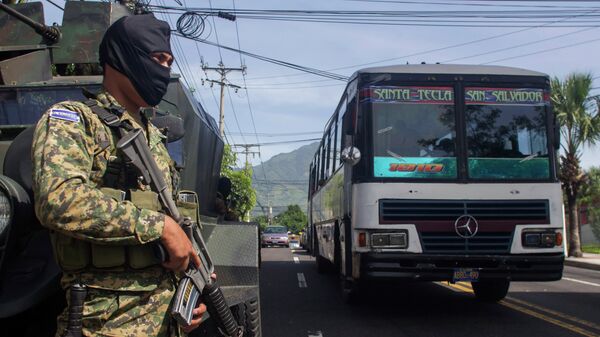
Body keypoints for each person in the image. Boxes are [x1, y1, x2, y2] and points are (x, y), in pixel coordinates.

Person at [32, 14, 205, 336]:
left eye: (168, 61)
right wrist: (160, 227)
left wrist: (187, 293)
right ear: (123, 56)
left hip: (165, 320)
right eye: (157, 58)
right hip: (107, 321)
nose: (164, 69)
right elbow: (57, 200)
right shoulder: (75, 120)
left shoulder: (153, 135)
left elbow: (171, 217)